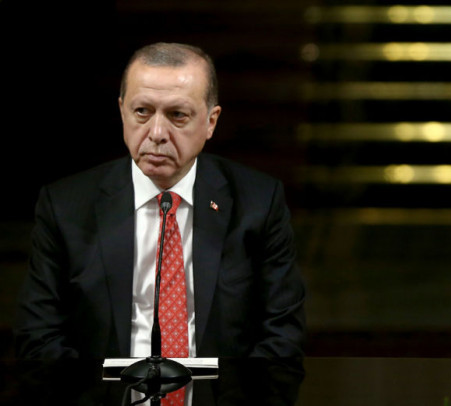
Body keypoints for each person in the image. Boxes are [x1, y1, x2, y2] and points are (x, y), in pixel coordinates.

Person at [14, 42, 306, 360]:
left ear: (211, 121)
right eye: (142, 112)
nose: (156, 133)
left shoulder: (258, 203)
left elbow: (283, 336)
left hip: (219, 390)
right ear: (122, 111)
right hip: (105, 390)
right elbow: (39, 337)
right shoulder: (65, 206)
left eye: (177, 115)